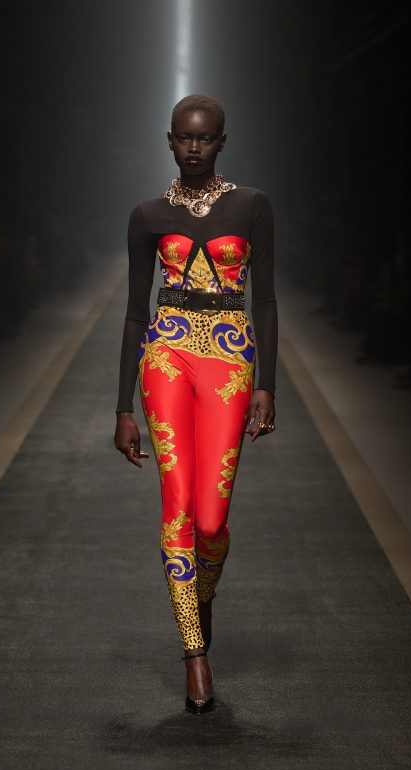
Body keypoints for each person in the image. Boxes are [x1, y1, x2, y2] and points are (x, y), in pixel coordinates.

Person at [114, 94, 278, 714]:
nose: (193, 147)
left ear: (222, 142)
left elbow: (266, 300)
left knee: (211, 519)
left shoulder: (253, 206)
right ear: (169, 140)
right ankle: (194, 654)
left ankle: (200, 597)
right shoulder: (148, 215)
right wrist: (123, 407)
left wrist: (267, 384)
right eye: (184, 137)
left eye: (204, 138)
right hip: (167, 356)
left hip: (230, 360)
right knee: (178, 501)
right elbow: (135, 311)